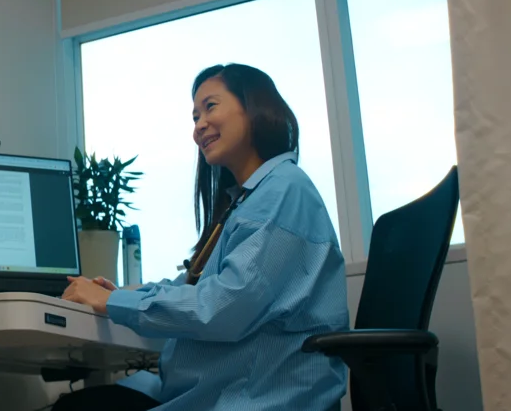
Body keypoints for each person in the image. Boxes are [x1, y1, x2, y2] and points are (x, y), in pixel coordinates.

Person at [58, 63, 349, 411]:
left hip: (255, 398)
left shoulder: (283, 191)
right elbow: (195, 289)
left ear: (253, 106)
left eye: (210, 107)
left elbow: (220, 307)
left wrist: (114, 303)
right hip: (227, 391)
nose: (199, 126)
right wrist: (119, 294)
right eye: (194, 117)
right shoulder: (249, 200)